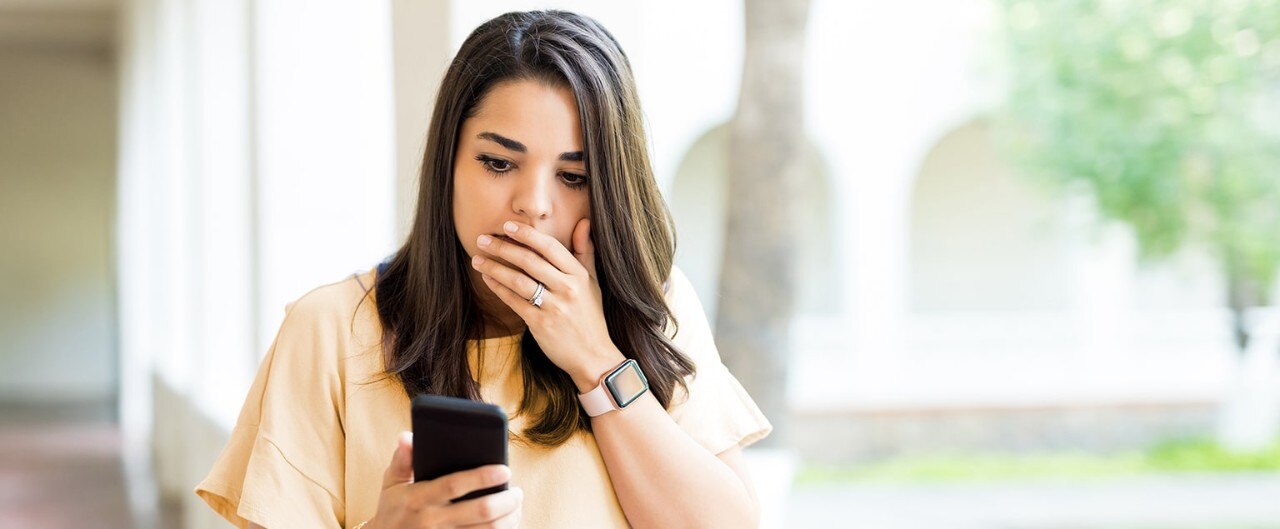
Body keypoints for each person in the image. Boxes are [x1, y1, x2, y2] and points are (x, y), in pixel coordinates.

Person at [195, 9, 772, 529]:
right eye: (498, 163)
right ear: (447, 163)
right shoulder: (331, 329)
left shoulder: (654, 305)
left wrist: (597, 360)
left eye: (574, 177)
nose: (533, 204)